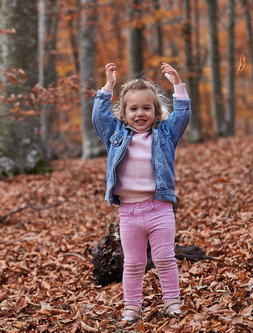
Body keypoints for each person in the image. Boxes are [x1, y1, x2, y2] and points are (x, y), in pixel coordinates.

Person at [92, 62, 191, 322]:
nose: (140, 113)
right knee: (134, 264)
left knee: (165, 259)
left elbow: (182, 116)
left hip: (159, 209)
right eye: (133, 108)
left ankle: (172, 302)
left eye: (146, 108)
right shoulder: (115, 134)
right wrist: (108, 86)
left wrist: (178, 85)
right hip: (129, 214)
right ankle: (132, 307)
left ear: (156, 111)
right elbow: (99, 118)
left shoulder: (165, 134)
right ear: (123, 113)